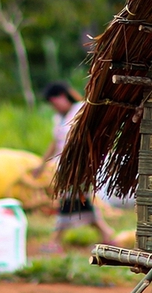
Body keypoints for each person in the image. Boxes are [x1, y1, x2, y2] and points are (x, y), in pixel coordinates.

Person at [40, 82, 112, 249]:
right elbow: (55, 142)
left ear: (62, 97)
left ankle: (54, 240)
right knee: (81, 202)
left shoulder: (81, 111)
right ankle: (106, 233)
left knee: (68, 200)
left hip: (81, 166)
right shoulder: (58, 118)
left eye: (53, 102)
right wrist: (42, 164)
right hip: (65, 167)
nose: (54, 107)